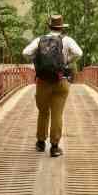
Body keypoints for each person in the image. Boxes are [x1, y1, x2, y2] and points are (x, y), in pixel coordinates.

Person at [22, 15, 83, 156]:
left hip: (43, 82)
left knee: (43, 112)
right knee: (57, 113)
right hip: (61, 81)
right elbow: (79, 53)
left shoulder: (40, 40)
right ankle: (54, 147)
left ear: (49, 26)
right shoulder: (67, 40)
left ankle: (40, 143)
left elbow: (25, 52)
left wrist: (37, 59)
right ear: (61, 28)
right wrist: (67, 61)